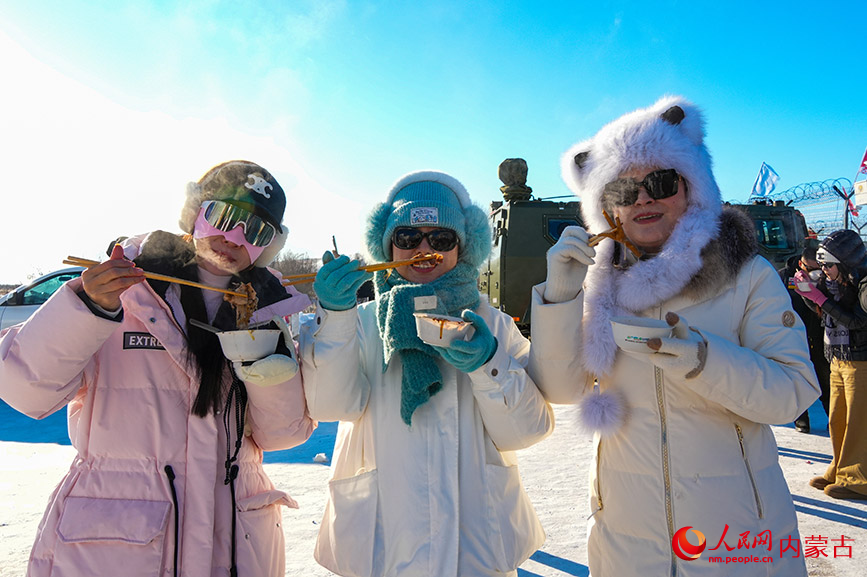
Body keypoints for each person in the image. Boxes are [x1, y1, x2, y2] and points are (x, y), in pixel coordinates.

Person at [527, 96, 819, 576]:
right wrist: (560, 296)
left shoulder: (747, 275)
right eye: (622, 189)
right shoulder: (597, 285)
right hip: (628, 535)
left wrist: (702, 360)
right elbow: (562, 390)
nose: (642, 198)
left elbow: (792, 394)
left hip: (734, 539)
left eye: (660, 182)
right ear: (606, 208)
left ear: (692, 189)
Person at [0, 160, 316, 577]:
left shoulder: (266, 310)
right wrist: (89, 306)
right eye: (225, 216)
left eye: (256, 231)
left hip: (236, 541)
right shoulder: (125, 293)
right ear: (195, 212)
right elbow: (24, 390)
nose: (233, 238)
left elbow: (283, 433)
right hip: (116, 542)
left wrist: (262, 362)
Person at [300, 171, 554, 577]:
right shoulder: (359, 322)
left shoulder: (494, 325)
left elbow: (528, 430)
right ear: (387, 244)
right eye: (407, 238)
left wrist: (489, 365)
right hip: (380, 548)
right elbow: (332, 406)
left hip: (476, 550)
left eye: (440, 239)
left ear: (462, 247)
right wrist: (335, 318)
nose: (423, 249)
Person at [795, 229, 867, 500]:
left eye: (828, 265)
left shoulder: (863, 284)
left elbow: (859, 321)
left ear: (845, 263)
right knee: (837, 417)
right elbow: (821, 308)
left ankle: (858, 478)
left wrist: (820, 299)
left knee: (859, 422)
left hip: (861, 361)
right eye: (821, 264)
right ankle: (840, 468)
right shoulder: (836, 282)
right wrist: (806, 292)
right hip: (838, 357)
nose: (823, 270)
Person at [778, 243, 831, 433]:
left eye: (819, 269)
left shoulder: (826, 278)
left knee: (825, 380)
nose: (817, 273)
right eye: (812, 269)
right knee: (797, 380)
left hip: (818, 334)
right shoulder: (783, 277)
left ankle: (834, 420)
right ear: (801, 263)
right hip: (793, 336)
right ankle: (801, 421)